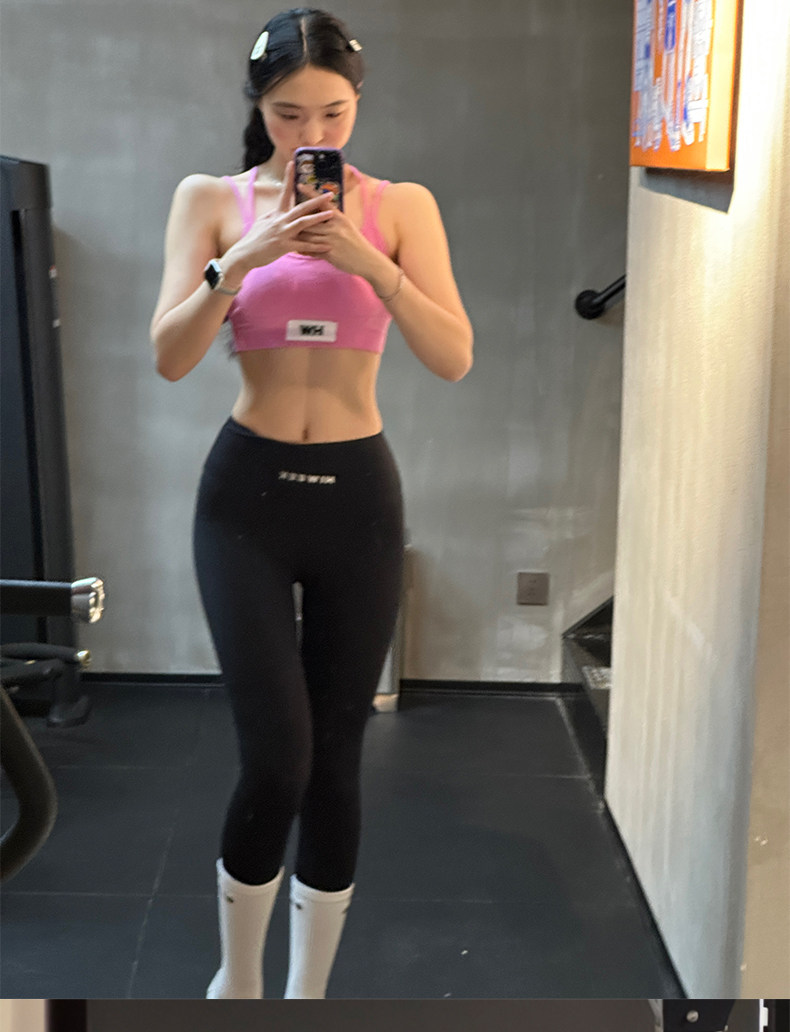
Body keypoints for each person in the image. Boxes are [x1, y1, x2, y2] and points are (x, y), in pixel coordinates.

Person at [149, 7, 473, 1000]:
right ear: (258, 108)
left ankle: (306, 995)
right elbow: (170, 356)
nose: (312, 135)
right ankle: (238, 981)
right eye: (289, 115)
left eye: (333, 114)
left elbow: (454, 356)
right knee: (276, 757)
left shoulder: (402, 207)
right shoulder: (210, 200)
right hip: (244, 499)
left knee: (335, 761)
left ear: (357, 103)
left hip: (356, 500)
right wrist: (241, 259)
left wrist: (369, 263)